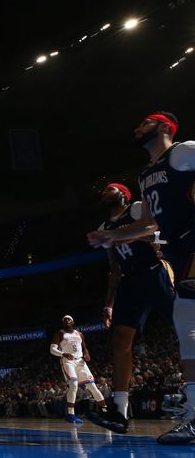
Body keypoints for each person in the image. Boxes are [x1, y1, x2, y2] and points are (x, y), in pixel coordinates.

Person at [87, 111, 195, 444]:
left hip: (188, 244)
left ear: (164, 127)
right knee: (185, 324)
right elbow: (150, 224)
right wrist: (112, 238)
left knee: (188, 323)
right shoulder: (148, 173)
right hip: (179, 249)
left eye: (145, 123)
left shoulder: (182, 151)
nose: (136, 127)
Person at [86, 182, 174, 434]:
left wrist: (120, 235)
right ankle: (120, 412)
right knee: (120, 340)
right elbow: (114, 269)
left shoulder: (136, 209)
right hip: (129, 280)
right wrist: (109, 304)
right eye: (103, 190)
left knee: (183, 328)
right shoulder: (104, 228)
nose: (104, 191)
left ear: (123, 195)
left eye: (109, 188)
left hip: (154, 271)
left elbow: (154, 232)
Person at [49, 315, 108, 423]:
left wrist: (87, 354)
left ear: (73, 322)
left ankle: (105, 411)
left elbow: (84, 348)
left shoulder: (79, 333)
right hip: (68, 360)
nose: (66, 320)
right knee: (74, 384)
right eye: (64, 320)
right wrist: (63, 354)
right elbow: (52, 349)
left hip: (80, 361)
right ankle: (70, 414)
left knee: (93, 387)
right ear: (63, 323)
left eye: (69, 319)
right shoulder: (59, 333)